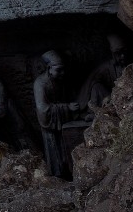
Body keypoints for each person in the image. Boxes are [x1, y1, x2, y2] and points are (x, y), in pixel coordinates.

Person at [34, 50, 86, 179]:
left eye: (63, 70)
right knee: (55, 153)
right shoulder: (40, 84)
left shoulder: (61, 81)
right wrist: (67, 107)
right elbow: (43, 109)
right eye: (59, 70)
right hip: (51, 123)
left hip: (63, 120)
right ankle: (58, 174)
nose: (62, 73)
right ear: (49, 68)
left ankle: (70, 171)